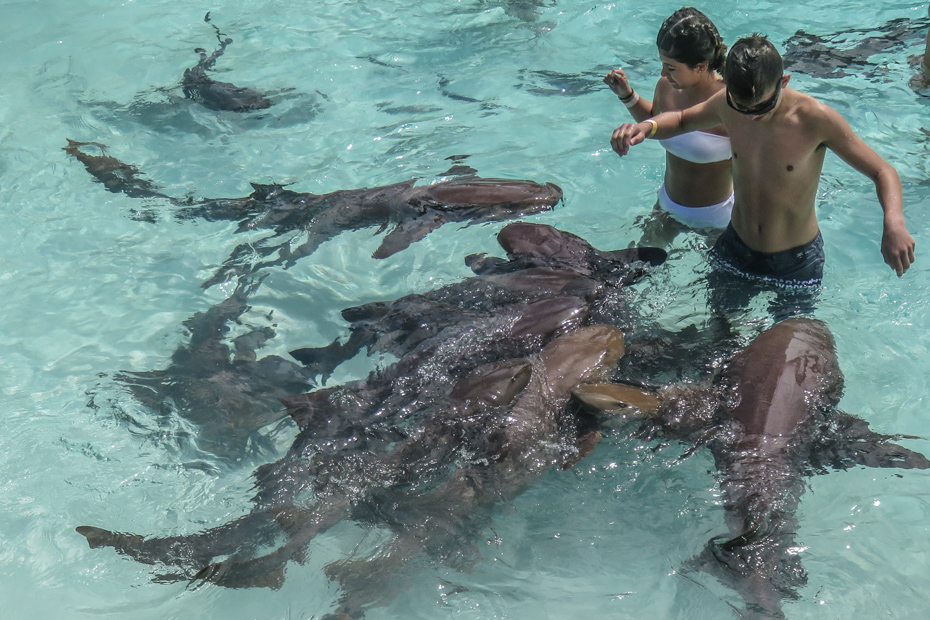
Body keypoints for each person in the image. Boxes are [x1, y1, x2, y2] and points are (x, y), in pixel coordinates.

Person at [610, 34, 915, 318]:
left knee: (788, 353)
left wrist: (894, 223)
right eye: (740, 107)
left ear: (784, 81)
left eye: (763, 106)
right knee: (717, 339)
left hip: (795, 264)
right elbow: (680, 119)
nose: (752, 116)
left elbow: (881, 170)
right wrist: (645, 127)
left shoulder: (816, 119)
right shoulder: (726, 104)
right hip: (735, 249)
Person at [604, 7, 732, 246]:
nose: (663, 73)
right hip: (666, 208)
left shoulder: (729, 102)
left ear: (702, 66)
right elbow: (655, 121)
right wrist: (628, 96)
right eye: (663, 64)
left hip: (719, 221)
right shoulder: (667, 86)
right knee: (635, 273)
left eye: (671, 67)